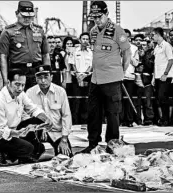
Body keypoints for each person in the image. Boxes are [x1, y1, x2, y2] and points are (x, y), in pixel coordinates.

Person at [77, 1, 131, 154]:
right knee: (93, 113)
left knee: (112, 114)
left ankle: (112, 144)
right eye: (94, 17)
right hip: (95, 79)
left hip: (112, 78)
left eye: (99, 16)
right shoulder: (93, 31)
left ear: (107, 14)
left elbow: (127, 53)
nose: (97, 20)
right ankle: (92, 143)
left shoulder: (117, 31)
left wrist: (122, 71)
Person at [0, 68, 53, 166]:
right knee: (28, 148)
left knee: (39, 147)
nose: (20, 88)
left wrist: (46, 119)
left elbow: (33, 108)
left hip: (15, 129)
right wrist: (17, 133)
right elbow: (2, 130)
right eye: (17, 84)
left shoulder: (21, 94)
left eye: (23, 85)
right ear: (8, 82)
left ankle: (19, 155)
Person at [0, 1, 50, 91]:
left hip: (36, 70)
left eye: (30, 16)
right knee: (17, 100)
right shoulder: (8, 32)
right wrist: (5, 80)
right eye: (24, 16)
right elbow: (3, 57)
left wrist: (47, 74)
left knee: (37, 99)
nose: (27, 19)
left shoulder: (39, 30)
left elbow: (45, 54)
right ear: (17, 14)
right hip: (17, 71)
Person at [26, 65, 73, 157]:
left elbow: (66, 116)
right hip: (37, 131)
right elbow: (25, 117)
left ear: (51, 77)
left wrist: (64, 139)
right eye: (39, 78)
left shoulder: (60, 91)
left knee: (66, 157)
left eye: (46, 77)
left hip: (56, 132)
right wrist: (40, 127)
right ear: (35, 79)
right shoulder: (29, 93)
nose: (43, 81)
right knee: (30, 158)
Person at [151, 27, 173, 126]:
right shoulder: (156, 47)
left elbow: (170, 60)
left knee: (163, 97)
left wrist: (165, 74)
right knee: (159, 99)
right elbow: (156, 63)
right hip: (157, 76)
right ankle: (163, 118)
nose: (152, 37)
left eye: (153, 35)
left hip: (165, 76)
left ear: (158, 35)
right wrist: (153, 77)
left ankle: (166, 119)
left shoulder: (167, 46)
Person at [69, 32, 93, 125]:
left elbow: (91, 65)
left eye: (87, 39)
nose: (85, 41)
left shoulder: (91, 52)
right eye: (83, 39)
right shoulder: (74, 51)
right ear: (80, 40)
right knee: (76, 100)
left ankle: (85, 121)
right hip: (76, 77)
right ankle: (75, 121)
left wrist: (85, 75)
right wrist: (78, 75)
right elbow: (72, 63)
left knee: (86, 100)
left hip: (88, 77)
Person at [121, 30, 139, 127]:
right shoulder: (116, 47)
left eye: (126, 37)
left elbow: (136, 63)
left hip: (129, 76)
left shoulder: (134, 48)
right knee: (118, 100)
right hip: (118, 77)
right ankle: (119, 120)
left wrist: (128, 54)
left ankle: (129, 120)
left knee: (129, 100)